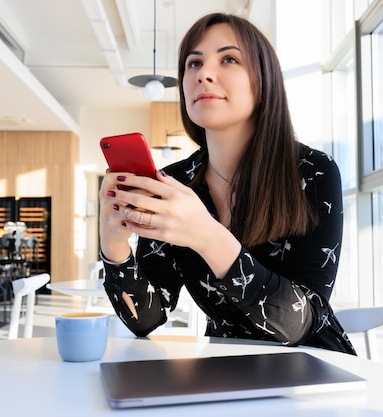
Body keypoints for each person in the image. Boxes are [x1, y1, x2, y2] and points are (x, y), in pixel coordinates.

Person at [98, 12, 356, 355]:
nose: (203, 73)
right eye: (193, 63)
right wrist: (114, 245)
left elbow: (299, 323)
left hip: (313, 368)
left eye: (229, 59)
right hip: (223, 366)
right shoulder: (175, 182)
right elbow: (147, 317)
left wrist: (205, 234)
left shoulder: (313, 172)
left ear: (263, 80)